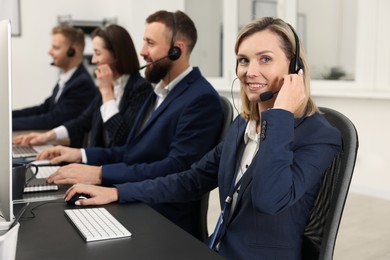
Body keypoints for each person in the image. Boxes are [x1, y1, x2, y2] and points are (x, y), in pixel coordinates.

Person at [61, 17, 343, 259]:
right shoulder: (243, 125)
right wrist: (117, 192)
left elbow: (270, 199)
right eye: (243, 60)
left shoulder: (321, 136)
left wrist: (280, 115)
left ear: (295, 70)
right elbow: (191, 179)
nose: (249, 71)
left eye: (265, 59)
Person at [37, 10, 224, 241]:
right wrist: (81, 154)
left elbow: (175, 170)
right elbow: (131, 151)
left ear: (177, 50)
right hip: (137, 199)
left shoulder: (200, 99)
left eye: (150, 43)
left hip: (163, 218)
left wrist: (101, 174)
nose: (142, 51)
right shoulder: (157, 92)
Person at [13, 24, 152, 148]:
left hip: (114, 170)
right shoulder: (108, 85)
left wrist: (107, 94)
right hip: (97, 163)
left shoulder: (140, 89)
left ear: (116, 54)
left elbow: (122, 139)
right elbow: (82, 121)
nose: (93, 60)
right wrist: (47, 136)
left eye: (97, 53)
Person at [12, 25, 97, 131]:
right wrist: (7, 116)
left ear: (72, 51)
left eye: (56, 48)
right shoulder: (67, 79)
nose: (50, 52)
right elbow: (43, 109)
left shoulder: (82, 83)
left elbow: (53, 120)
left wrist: (7, 124)